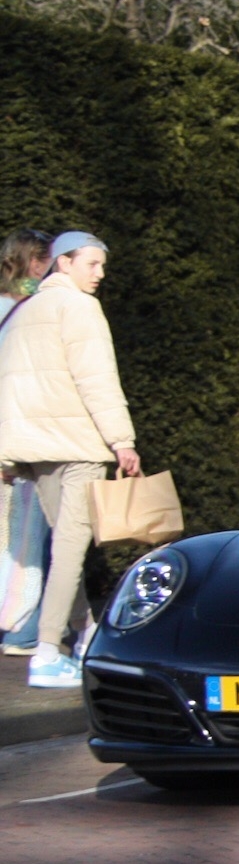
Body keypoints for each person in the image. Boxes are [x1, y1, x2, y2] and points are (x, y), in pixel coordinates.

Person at [0, 232, 140, 688]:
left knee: (66, 548)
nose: (99, 274)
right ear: (64, 263)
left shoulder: (24, 311)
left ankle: (85, 637)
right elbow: (97, 378)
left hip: (35, 451)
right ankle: (45, 653)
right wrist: (122, 440)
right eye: (92, 264)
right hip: (77, 445)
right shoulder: (79, 308)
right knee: (70, 549)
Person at [0, 230, 53, 656]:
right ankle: (22, 629)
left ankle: (22, 625)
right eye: (37, 261)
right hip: (21, 441)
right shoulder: (20, 313)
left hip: (22, 437)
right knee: (26, 539)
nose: (43, 269)